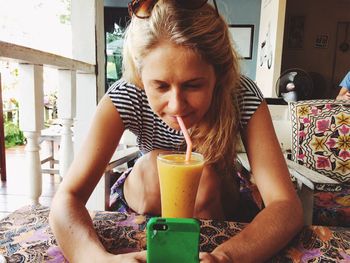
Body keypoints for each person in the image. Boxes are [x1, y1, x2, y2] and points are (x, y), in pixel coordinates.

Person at [49, 0, 303, 262]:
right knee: (151, 167)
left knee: (204, 180)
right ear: (140, 77)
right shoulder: (126, 94)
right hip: (145, 195)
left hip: (218, 203)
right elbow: (67, 198)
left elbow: (285, 204)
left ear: (219, 76)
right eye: (159, 86)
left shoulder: (241, 95)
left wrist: (225, 257)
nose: (177, 105)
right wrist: (97, 260)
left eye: (193, 85)